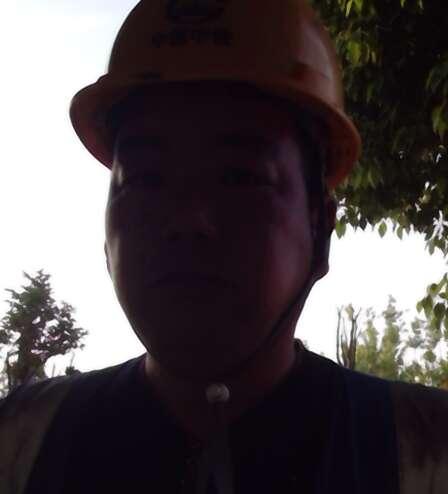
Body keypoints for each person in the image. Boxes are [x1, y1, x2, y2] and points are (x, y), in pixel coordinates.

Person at [1, 1, 448, 493]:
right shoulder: (19, 442)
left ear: (320, 228)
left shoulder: (425, 450)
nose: (187, 220)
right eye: (145, 179)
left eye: (240, 177)